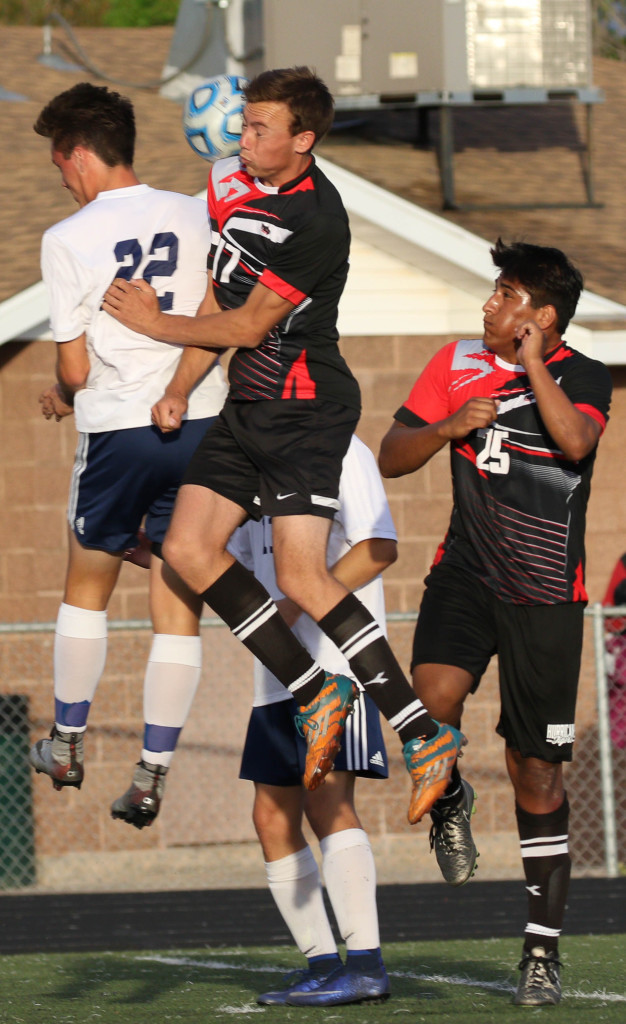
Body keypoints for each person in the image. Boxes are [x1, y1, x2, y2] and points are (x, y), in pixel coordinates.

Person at [102, 65, 463, 826]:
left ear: (303, 140)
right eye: (244, 121)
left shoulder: (318, 220)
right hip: (250, 402)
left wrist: (151, 324)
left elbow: (248, 325)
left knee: (303, 577)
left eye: (262, 127)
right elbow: (218, 295)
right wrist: (179, 380)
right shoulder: (227, 179)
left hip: (306, 406)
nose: (245, 136)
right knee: (188, 550)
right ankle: (317, 690)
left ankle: (422, 733)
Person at [379, 239, 612, 1007]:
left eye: (506, 294)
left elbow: (574, 444)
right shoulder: (453, 363)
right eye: (493, 291)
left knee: (535, 770)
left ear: (540, 317)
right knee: (430, 700)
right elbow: (391, 455)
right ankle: (450, 799)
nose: (489, 303)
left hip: (545, 597)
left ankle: (540, 953)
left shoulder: (583, 375)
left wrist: (532, 363)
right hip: (467, 574)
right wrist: (448, 426)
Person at [28, 82, 227, 828]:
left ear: (80, 154)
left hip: (117, 428)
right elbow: (213, 313)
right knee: (179, 602)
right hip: (201, 422)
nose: (64, 181)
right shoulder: (192, 210)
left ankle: (69, 742)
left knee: (87, 582)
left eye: (60, 166)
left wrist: (62, 390)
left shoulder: (68, 237)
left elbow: (77, 373)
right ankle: (152, 774)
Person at [231, 436, 392, 1007]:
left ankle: (366, 964)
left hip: (338, 661)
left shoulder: (341, 447)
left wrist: (299, 601)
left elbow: (376, 547)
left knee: (327, 802)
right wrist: (159, 553)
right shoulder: (243, 460)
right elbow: (237, 572)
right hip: (278, 671)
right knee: (271, 816)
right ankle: (323, 964)